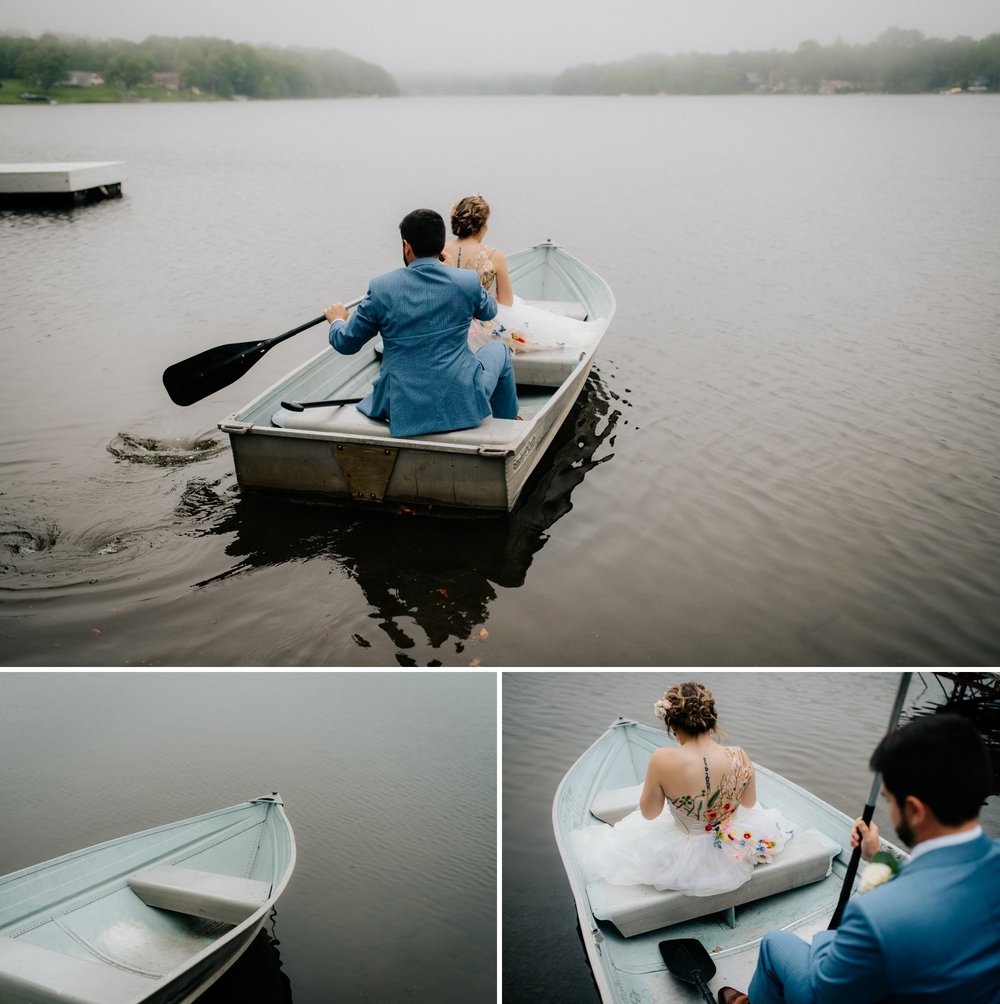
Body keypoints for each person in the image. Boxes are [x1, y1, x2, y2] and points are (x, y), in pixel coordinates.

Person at [718, 713, 1000, 1004]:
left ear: (915, 811)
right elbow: (935, 885)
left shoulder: (874, 915)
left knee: (775, 944)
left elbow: (825, 996)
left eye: (889, 800)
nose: (889, 809)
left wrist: (824, 942)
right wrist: (875, 856)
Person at [573, 683, 792, 896]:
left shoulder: (661, 758)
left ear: (673, 725)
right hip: (731, 842)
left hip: (684, 852)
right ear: (711, 719)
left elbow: (650, 814)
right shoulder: (739, 754)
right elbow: (749, 803)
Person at [323, 208, 518, 438]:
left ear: (407, 245)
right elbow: (489, 311)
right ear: (441, 246)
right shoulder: (466, 281)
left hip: (402, 406)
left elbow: (346, 343)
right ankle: (507, 427)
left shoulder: (381, 287)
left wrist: (337, 319)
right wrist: (452, 272)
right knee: (501, 351)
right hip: (462, 398)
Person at [444, 195, 598, 354]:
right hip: (481, 321)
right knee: (523, 316)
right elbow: (506, 301)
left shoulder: (442, 250)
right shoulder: (493, 255)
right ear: (482, 226)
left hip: (448, 319)